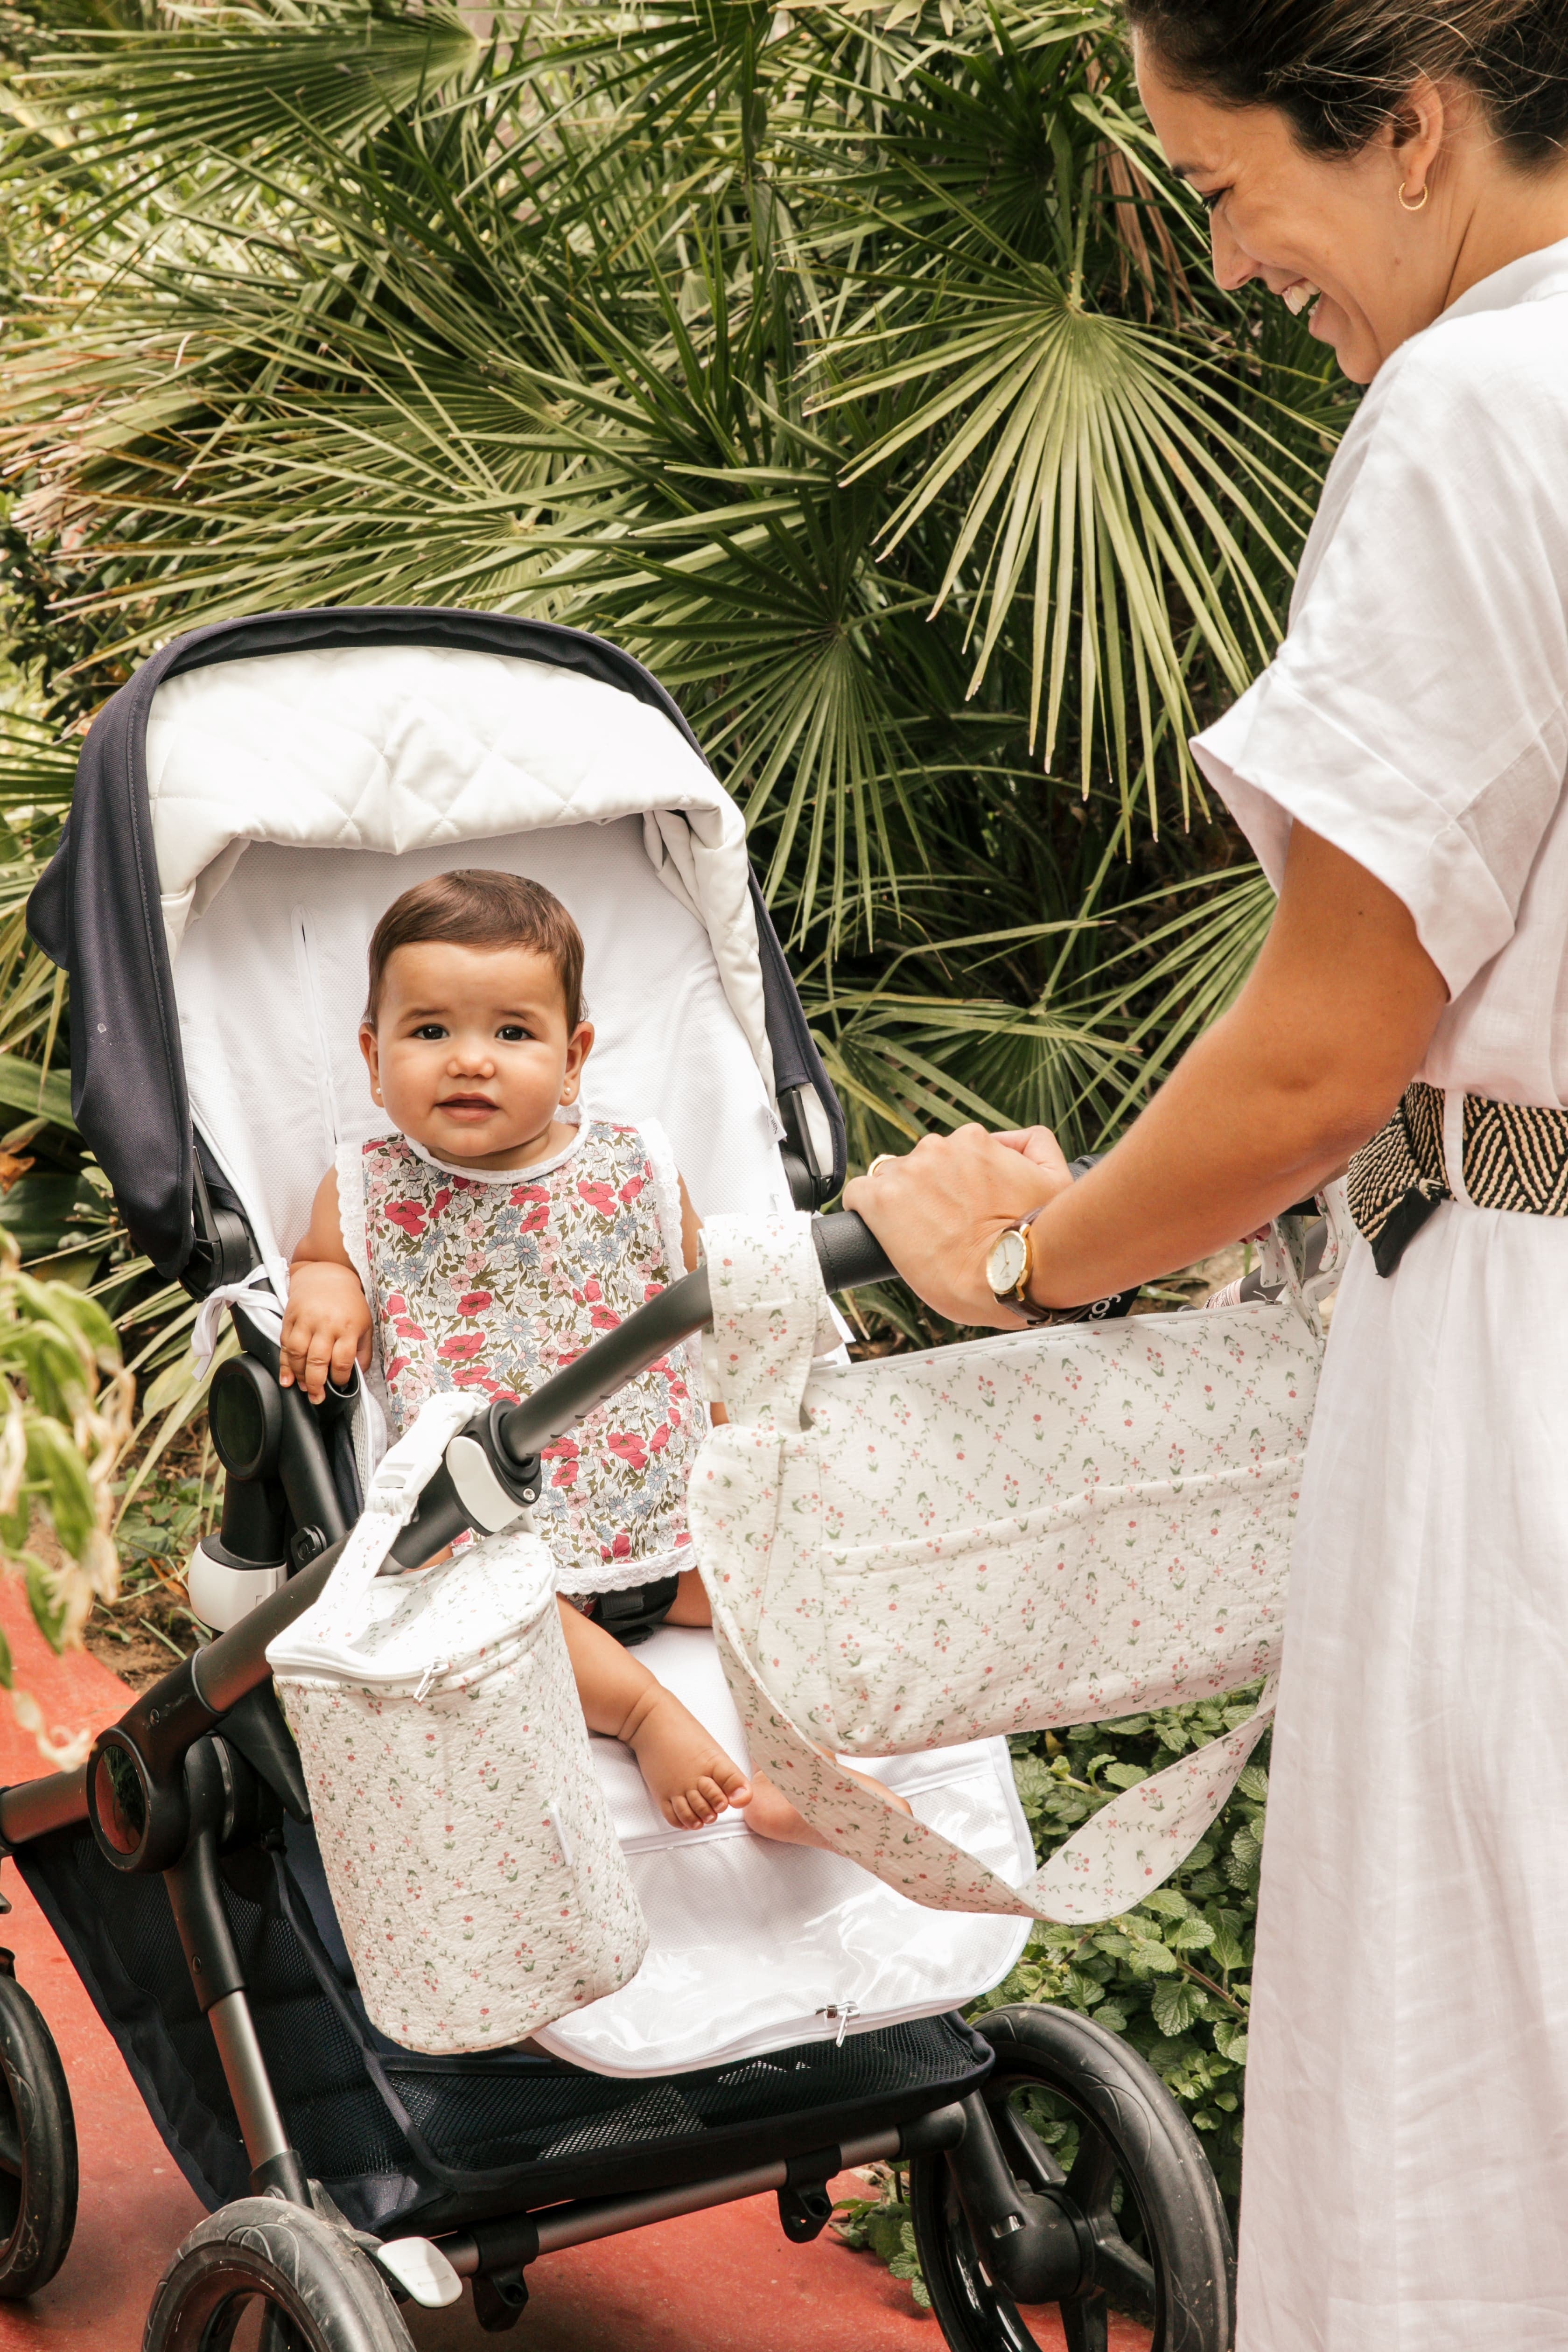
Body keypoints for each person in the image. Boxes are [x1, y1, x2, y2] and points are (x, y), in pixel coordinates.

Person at [843, 5, 1568, 2343]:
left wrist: (1034, 1256)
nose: (1232, 260)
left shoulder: (1482, 407)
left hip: (1531, 1350)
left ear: (1417, 132)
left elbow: (1322, 1057)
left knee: (1491, 2035)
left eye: (1229, 181)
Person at [280, 867, 905, 1848]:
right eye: (430, 1031)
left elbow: (718, 1300)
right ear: (373, 1055)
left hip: (666, 1510)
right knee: (491, 1622)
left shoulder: (635, 1166)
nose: (470, 1062)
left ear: (573, 1058)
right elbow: (322, 1258)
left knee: (789, 1590)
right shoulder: (365, 1189)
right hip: (492, 1536)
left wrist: (751, 1435)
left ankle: (806, 1765)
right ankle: (646, 1711)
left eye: (513, 1033)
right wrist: (326, 1286)